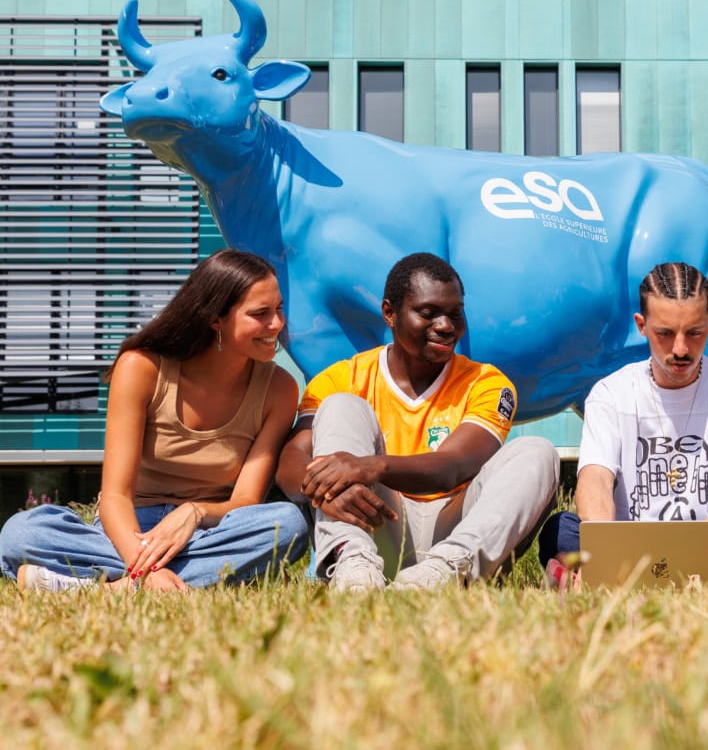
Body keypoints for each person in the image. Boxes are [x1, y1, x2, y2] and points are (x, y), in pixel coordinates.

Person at [0, 250, 309, 591]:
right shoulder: (141, 367)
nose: (277, 324)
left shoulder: (279, 388)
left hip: (208, 531)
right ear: (215, 318)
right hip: (129, 528)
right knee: (20, 533)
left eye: (279, 309)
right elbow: (116, 496)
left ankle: (105, 588)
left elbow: (245, 502)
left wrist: (193, 513)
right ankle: (172, 580)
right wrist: (142, 562)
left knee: (287, 524)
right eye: (260, 314)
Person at [276, 252, 559, 591]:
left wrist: (372, 466)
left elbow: (453, 466)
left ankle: (443, 575)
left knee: (538, 451)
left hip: (456, 530)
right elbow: (290, 465)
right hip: (378, 522)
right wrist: (321, 489)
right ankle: (353, 568)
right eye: (428, 313)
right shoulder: (341, 378)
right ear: (390, 313)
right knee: (341, 407)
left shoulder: (487, 383)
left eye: (455, 314)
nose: (445, 326)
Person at [538, 262, 708, 588]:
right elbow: (595, 480)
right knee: (560, 530)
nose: (681, 349)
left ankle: (620, 579)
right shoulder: (611, 393)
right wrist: (605, 544)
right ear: (641, 325)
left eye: (694, 333)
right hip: (633, 543)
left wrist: (698, 542)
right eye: (665, 334)